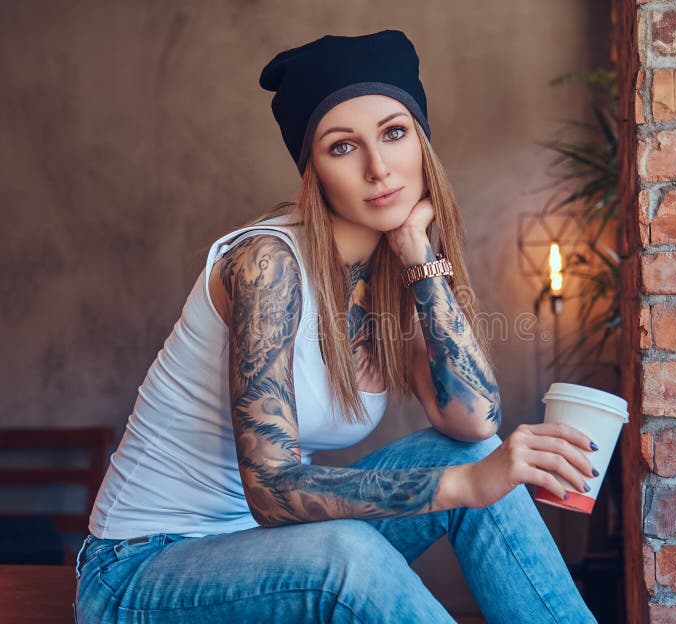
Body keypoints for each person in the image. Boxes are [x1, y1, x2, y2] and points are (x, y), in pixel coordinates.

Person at [73, 29, 599, 624]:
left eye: (395, 133)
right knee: (350, 551)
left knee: (472, 454)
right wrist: (467, 483)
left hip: (262, 555)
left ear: (421, 143)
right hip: (139, 572)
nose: (379, 168)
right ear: (313, 170)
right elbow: (272, 493)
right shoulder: (266, 264)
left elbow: (474, 420)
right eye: (343, 147)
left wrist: (418, 257)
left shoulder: (392, 276)